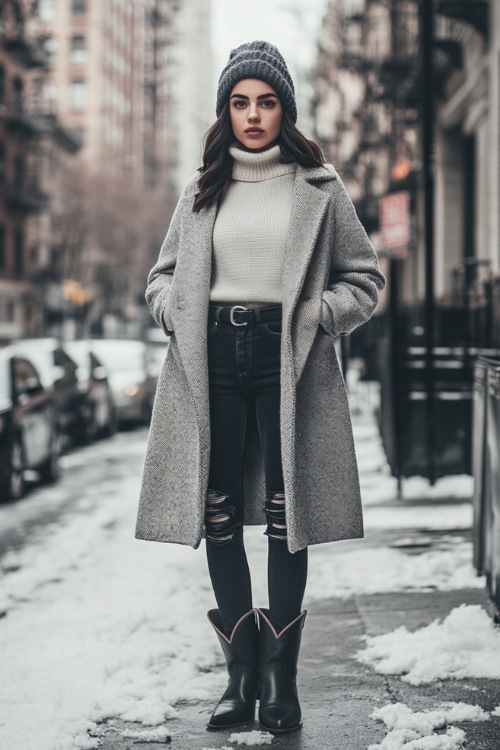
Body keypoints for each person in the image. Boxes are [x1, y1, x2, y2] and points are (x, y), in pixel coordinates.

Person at [136, 40, 385, 734]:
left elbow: (364, 279)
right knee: (216, 515)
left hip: (289, 359)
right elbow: (161, 277)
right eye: (240, 102)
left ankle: (280, 682)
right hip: (211, 356)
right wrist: (171, 312)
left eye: (266, 101)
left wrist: (317, 315)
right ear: (226, 111)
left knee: (286, 514)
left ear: (285, 109)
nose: (253, 115)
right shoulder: (200, 191)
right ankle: (238, 676)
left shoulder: (320, 188)